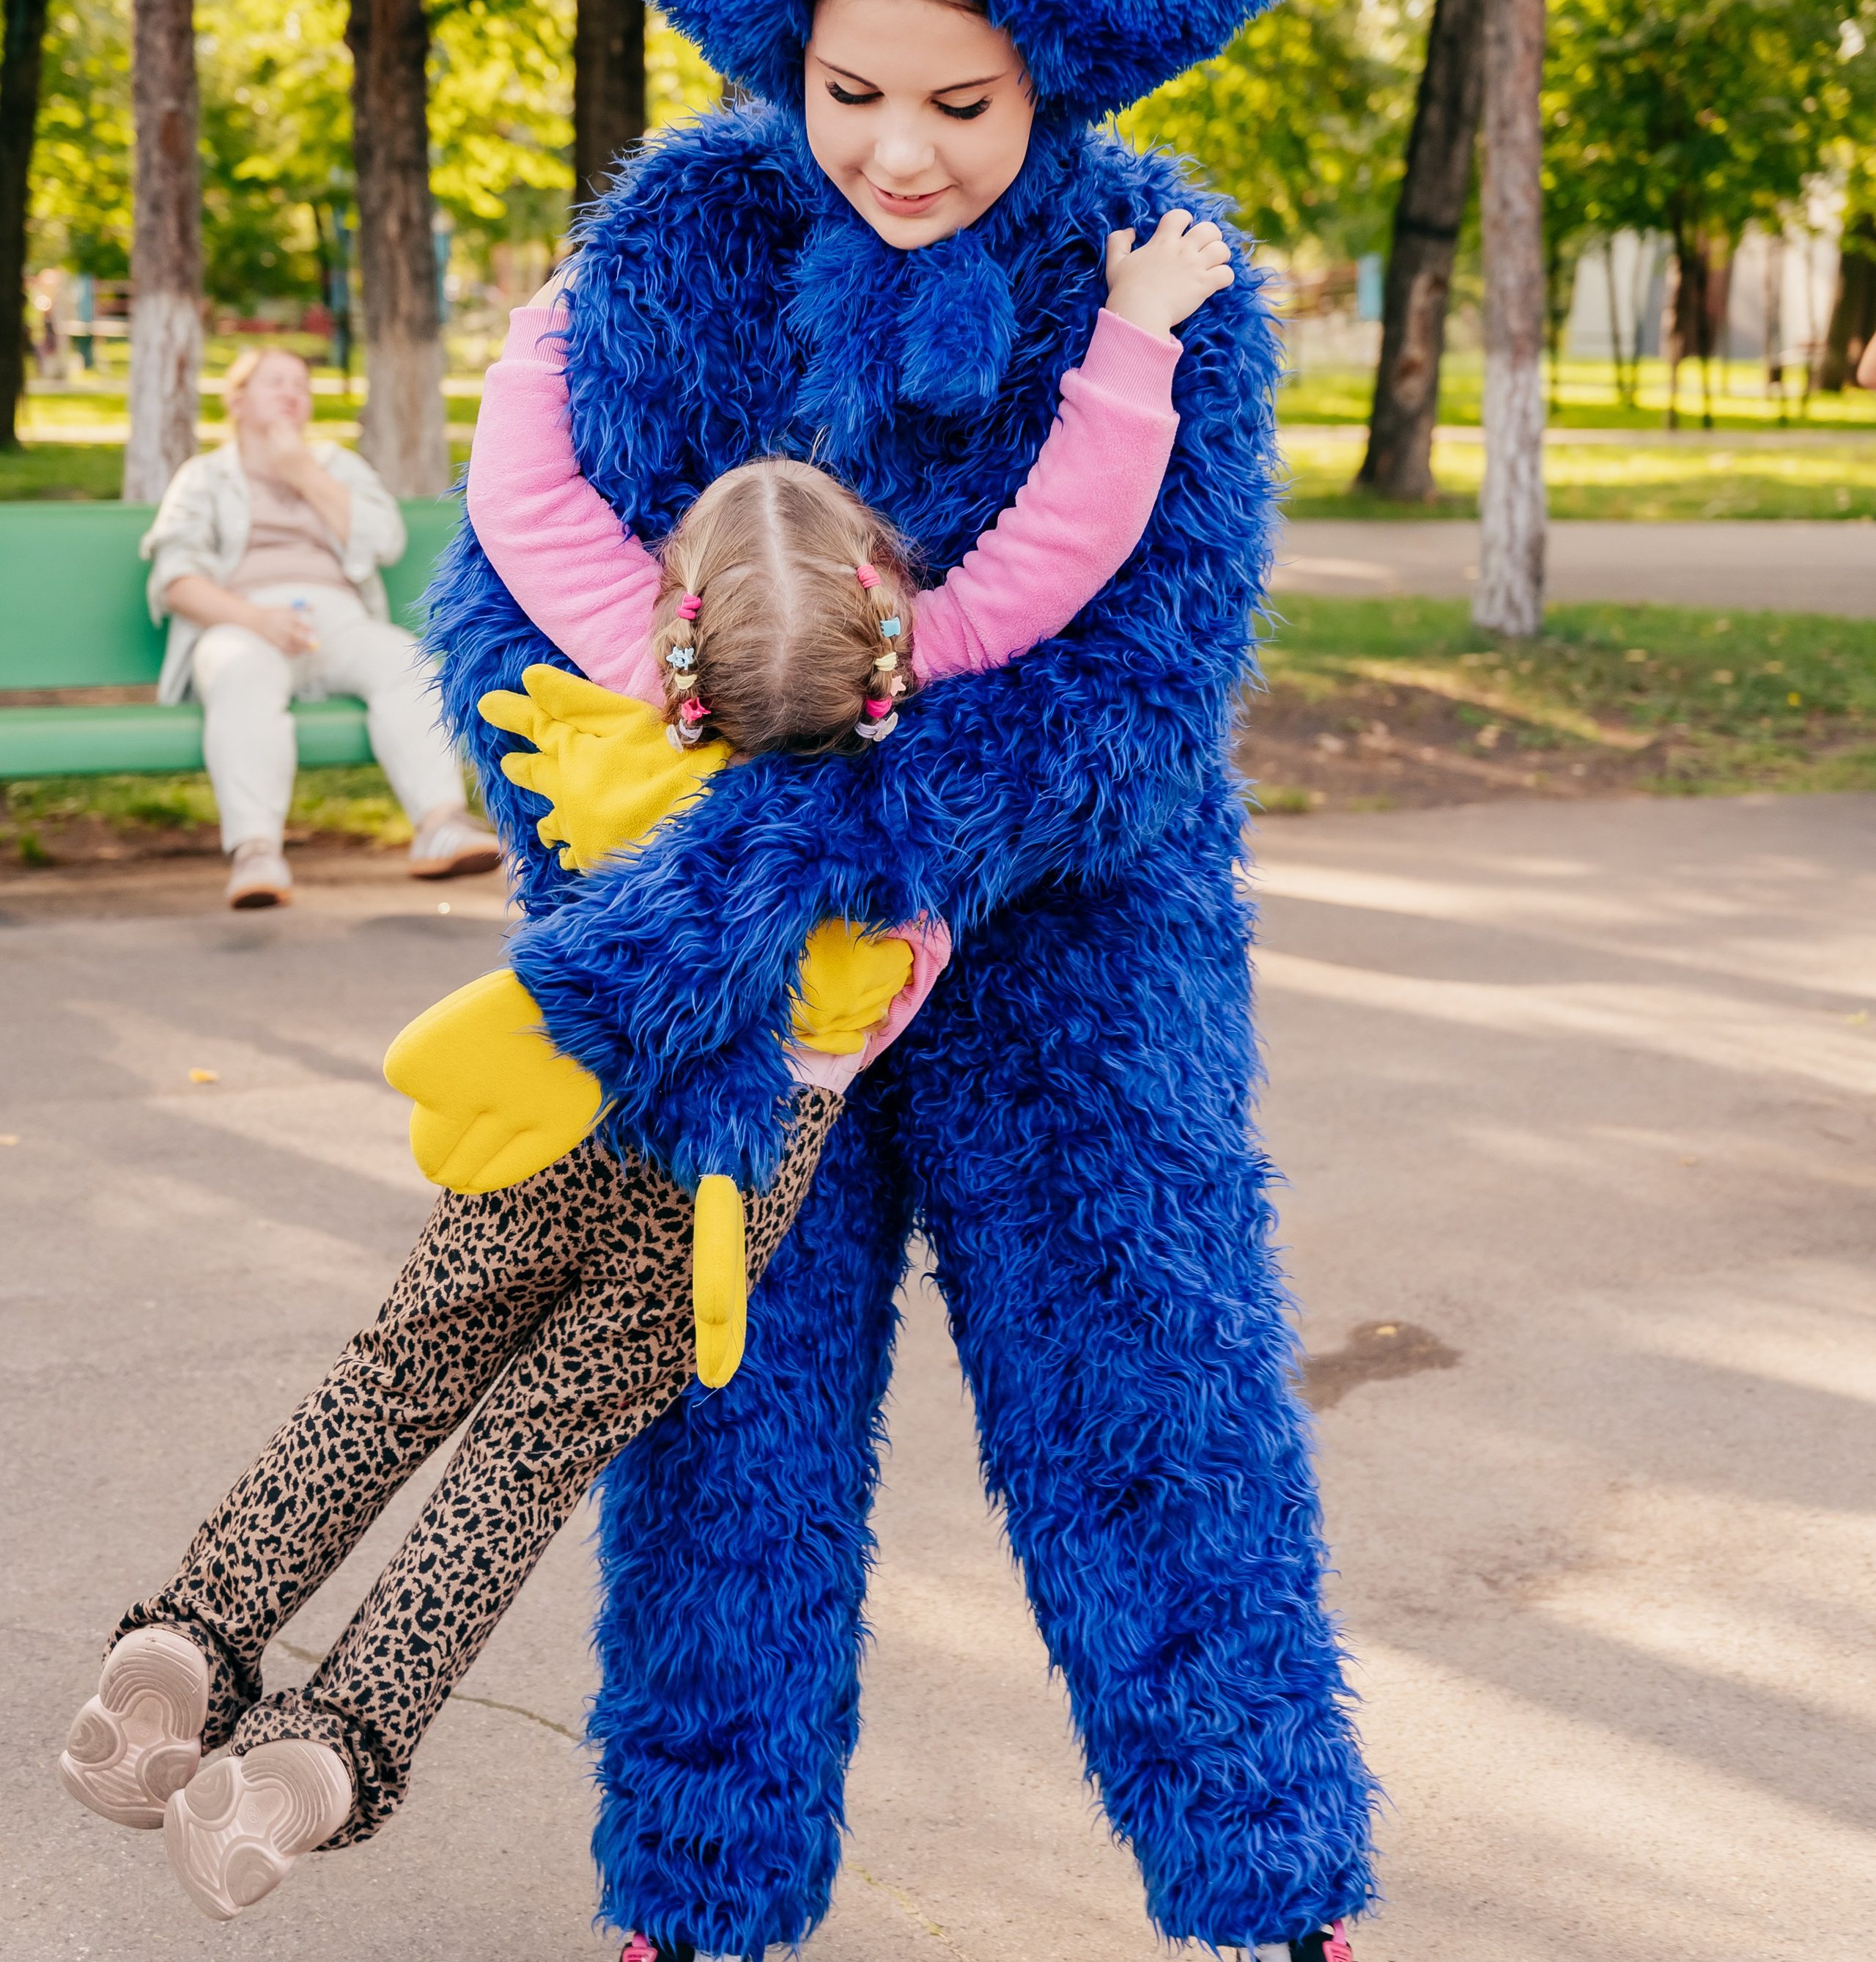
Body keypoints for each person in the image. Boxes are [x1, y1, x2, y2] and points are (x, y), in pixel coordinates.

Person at [56, 197, 1230, 1927]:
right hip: (737, 1191)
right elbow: (1066, 535)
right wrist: (1132, 330)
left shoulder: (626, 700)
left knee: (393, 1374)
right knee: (525, 1457)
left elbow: (523, 498)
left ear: (676, 637)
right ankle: (319, 1755)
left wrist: (546, 323)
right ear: (887, 614)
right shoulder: (922, 765)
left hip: (580, 1104)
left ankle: (188, 1632)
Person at [139, 346, 498, 907]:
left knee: (403, 662)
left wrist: (302, 473)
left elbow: (385, 540)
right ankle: (257, 854)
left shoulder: (335, 466)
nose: (290, 393)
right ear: (236, 400)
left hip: (338, 621)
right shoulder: (204, 477)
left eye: (301, 386)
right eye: (273, 382)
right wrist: (256, 620)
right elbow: (176, 581)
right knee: (239, 675)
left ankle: (441, 824)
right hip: (242, 623)